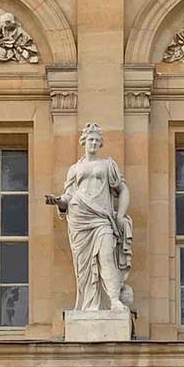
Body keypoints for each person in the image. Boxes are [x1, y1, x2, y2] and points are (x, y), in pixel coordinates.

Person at [50, 125, 133, 313]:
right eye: (90, 140)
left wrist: (120, 215)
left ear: (101, 143)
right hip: (79, 217)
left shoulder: (107, 165)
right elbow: (69, 195)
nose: (94, 143)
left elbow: (122, 189)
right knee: (83, 265)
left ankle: (113, 300)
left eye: (97, 140)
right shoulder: (74, 169)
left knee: (106, 257)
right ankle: (90, 305)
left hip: (102, 218)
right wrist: (58, 201)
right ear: (84, 142)